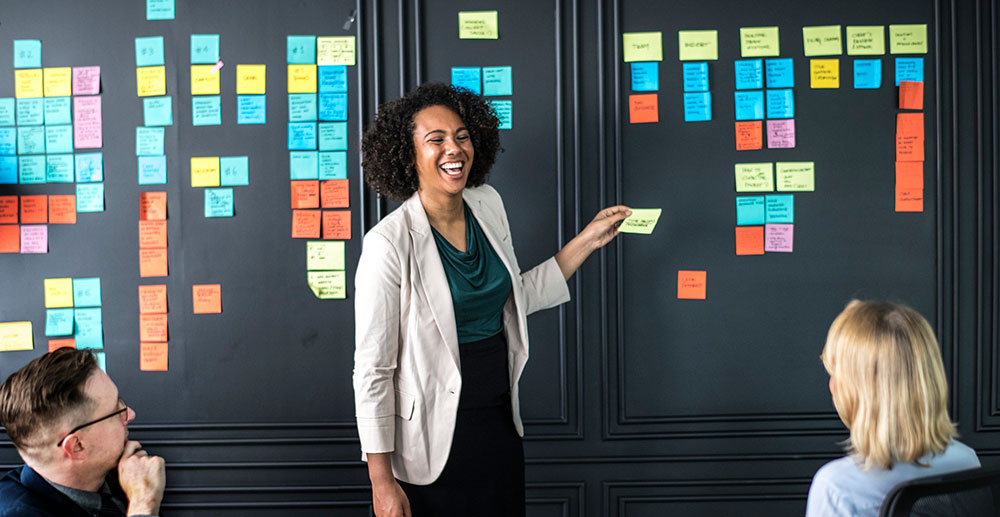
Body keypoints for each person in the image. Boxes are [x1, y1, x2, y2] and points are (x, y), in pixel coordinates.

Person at [354, 83, 630, 516]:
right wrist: (381, 481)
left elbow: (514, 298)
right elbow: (373, 371)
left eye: (462, 135)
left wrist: (587, 241)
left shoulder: (487, 203)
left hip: (498, 422)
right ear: (408, 156)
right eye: (436, 140)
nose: (454, 149)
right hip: (430, 442)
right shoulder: (388, 244)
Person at [805, 300, 981, 516]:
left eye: (836, 374)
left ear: (859, 390)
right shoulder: (966, 461)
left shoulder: (836, 487)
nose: (831, 385)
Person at [0, 348, 166, 516]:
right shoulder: (18, 512)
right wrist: (144, 505)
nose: (130, 414)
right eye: (117, 411)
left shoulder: (118, 473)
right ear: (77, 446)